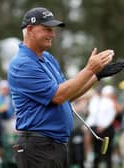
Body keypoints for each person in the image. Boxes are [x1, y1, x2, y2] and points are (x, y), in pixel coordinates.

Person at [7, 7, 123, 168]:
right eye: (47, 29)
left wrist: (96, 76)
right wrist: (90, 69)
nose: (52, 34)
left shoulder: (47, 58)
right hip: (37, 147)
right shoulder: (22, 64)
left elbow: (68, 94)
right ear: (30, 29)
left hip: (53, 146)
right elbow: (58, 96)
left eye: (52, 30)